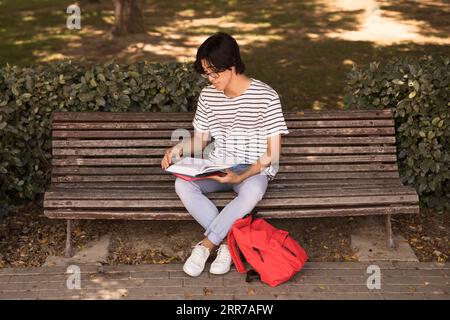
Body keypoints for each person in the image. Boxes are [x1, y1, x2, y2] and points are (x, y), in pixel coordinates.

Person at [161, 32, 290, 277]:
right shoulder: (208, 96)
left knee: (252, 190)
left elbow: (272, 153)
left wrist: (242, 176)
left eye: (214, 72)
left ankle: (206, 245)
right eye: (205, 73)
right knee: (183, 185)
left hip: (253, 168)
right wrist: (176, 149)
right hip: (218, 165)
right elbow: (200, 139)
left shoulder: (266, 96)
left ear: (232, 65)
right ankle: (230, 245)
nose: (210, 79)